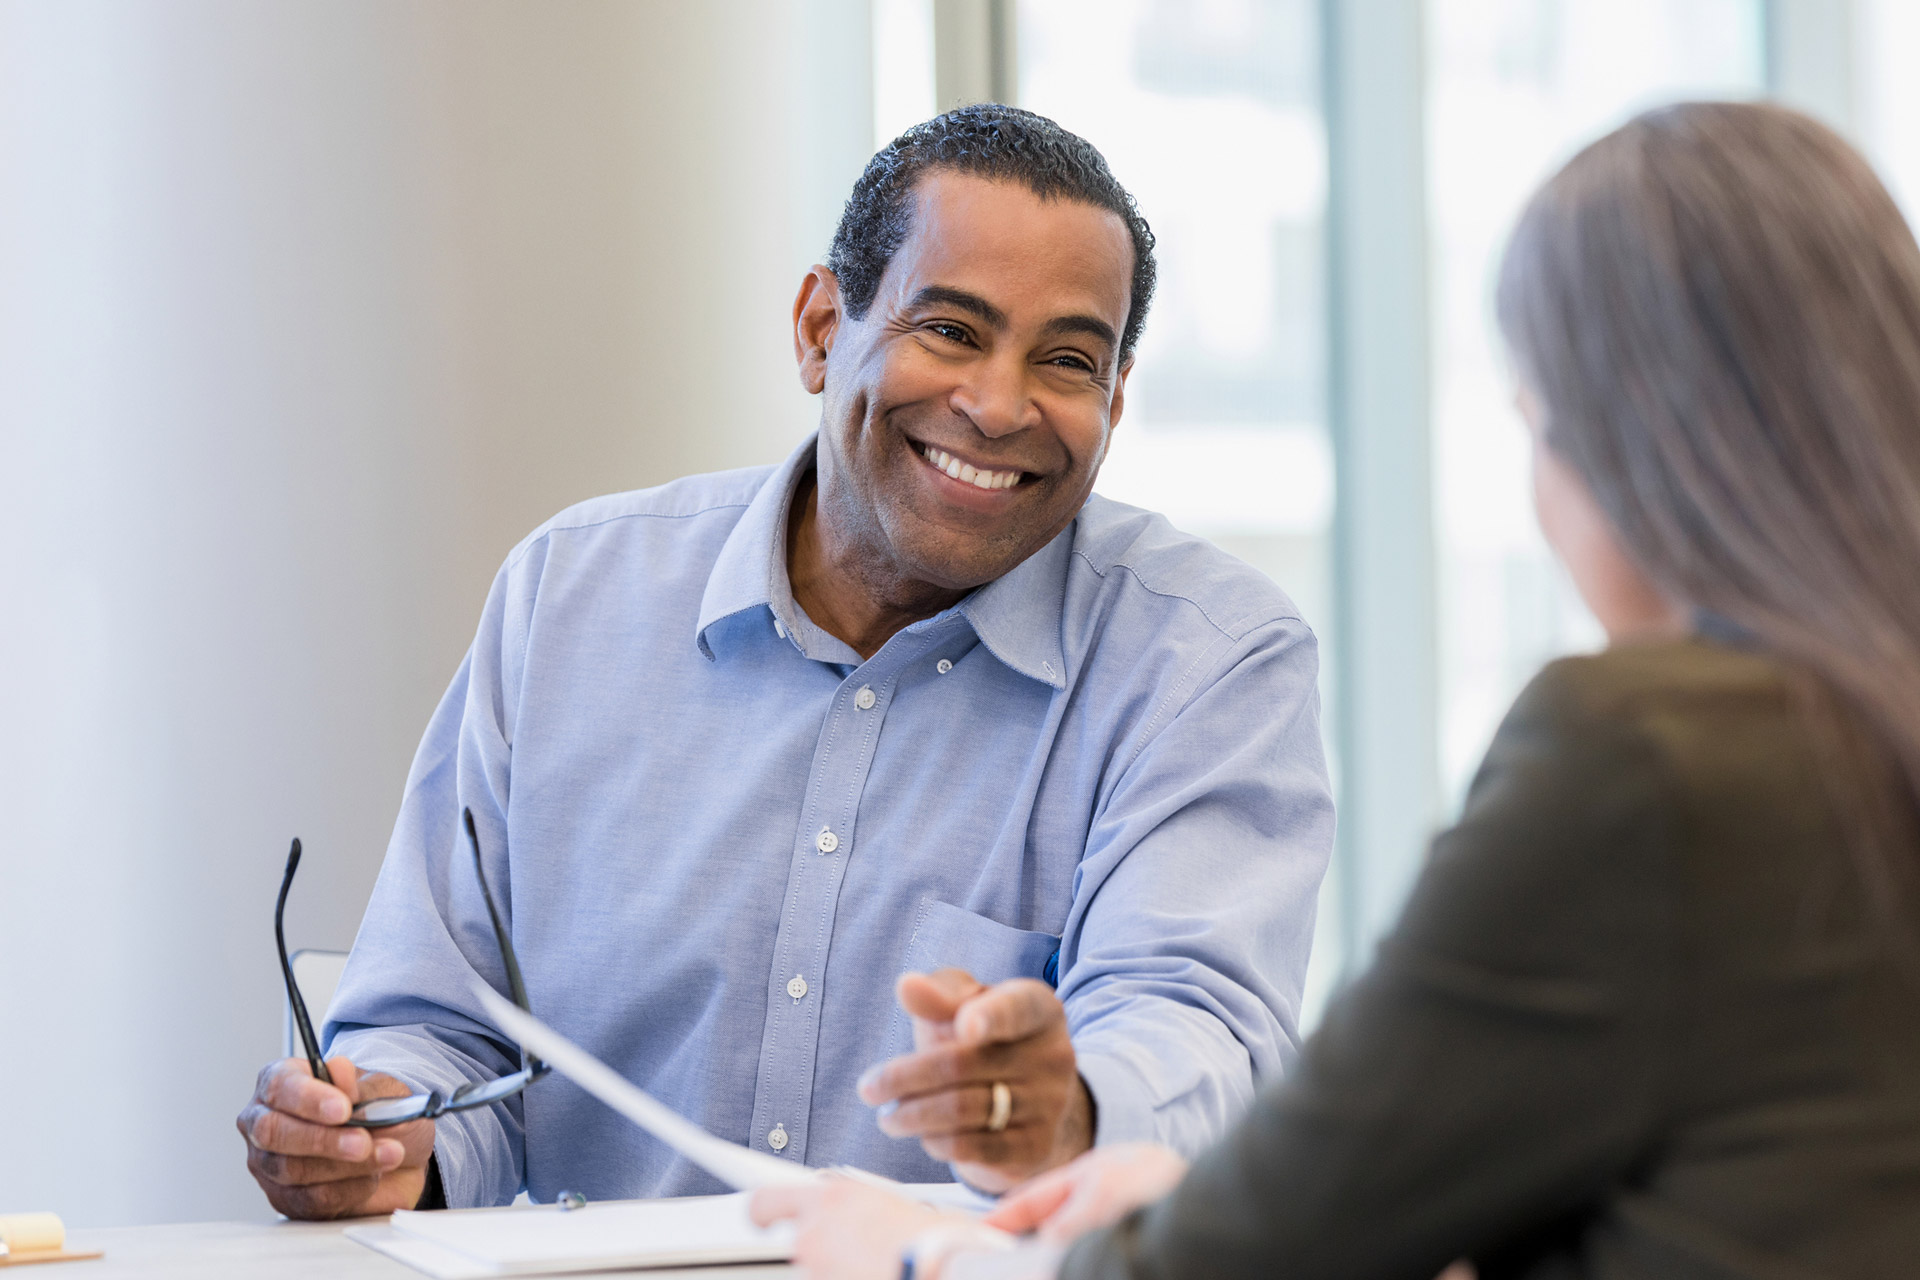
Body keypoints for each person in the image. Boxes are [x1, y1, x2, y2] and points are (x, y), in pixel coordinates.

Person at [753, 100, 1920, 1278]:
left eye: (1537, 426)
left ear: (1626, 446)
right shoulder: (1853, 729)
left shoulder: (1648, 758)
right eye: (952, 330)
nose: (997, 405)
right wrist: (1206, 1199)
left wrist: (923, 1256)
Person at [233, 104, 1335, 1219]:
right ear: (819, 326)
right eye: (951, 330)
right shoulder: (568, 596)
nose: (1000, 406)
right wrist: (377, 1133)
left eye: (1066, 360)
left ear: (1115, 399)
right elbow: (438, 1028)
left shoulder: (1210, 660)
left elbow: (1194, 1029)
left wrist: (1076, 1108)